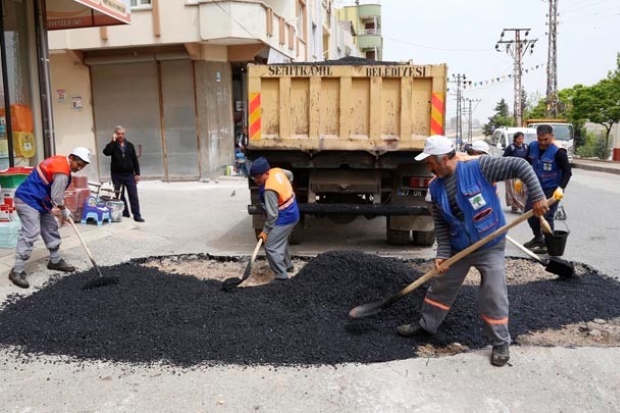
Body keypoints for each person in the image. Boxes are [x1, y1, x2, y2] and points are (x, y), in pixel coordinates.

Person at [397, 135, 552, 367]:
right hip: (459, 247)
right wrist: (442, 254)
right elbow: (441, 226)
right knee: (442, 284)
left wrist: (538, 196)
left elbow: (520, 165)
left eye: (429, 162)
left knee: (493, 290)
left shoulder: (480, 167)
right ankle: (426, 325)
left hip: (489, 245)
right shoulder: (435, 189)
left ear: (443, 160)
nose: (427, 167)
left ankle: (500, 342)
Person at [8, 148, 92, 289]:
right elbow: (56, 197)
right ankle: (17, 270)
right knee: (31, 232)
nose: (79, 168)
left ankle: (55, 260)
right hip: (27, 199)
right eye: (78, 164)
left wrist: (60, 207)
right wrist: (64, 209)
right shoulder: (62, 171)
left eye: (82, 166)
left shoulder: (60, 161)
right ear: (71, 158)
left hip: (40, 201)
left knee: (50, 227)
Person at [249, 157, 300, 282]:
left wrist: (265, 231)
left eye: (257, 177)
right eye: (253, 177)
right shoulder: (277, 171)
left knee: (271, 246)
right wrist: (288, 186)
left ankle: (281, 276)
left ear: (266, 173)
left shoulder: (270, 190)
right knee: (280, 239)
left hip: (285, 217)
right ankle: (288, 266)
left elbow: (272, 216)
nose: (255, 180)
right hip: (292, 211)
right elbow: (290, 175)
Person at [523, 124, 572, 254]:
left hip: (552, 190)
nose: (543, 143)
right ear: (537, 137)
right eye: (540, 139)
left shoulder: (559, 151)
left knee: (547, 215)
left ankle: (547, 243)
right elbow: (525, 163)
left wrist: (561, 188)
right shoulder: (532, 146)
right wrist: (519, 178)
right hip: (535, 187)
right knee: (529, 213)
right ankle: (539, 239)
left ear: (552, 136)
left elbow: (567, 172)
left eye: (546, 139)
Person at [102, 125, 145, 222]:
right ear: (115, 134)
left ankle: (137, 215)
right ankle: (125, 212)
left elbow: (134, 160)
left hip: (129, 175)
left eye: (122, 134)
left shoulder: (130, 145)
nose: (120, 136)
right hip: (117, 175)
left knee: (133, 195)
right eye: (118, 134)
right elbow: (106, 152)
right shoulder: (112, 146)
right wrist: (112, 141)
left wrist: (137, 173)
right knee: (119, 195)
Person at [503, 132, 529, 214]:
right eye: (519, 139)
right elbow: (504, 158)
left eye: (522, 138)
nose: (520, 140)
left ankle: (521, 204)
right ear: (515, 139)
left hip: (522, 172)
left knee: (523, 190)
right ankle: (519, 206)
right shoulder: (511, 147)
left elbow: (529, 158)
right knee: (514, 190)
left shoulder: (526, 147)